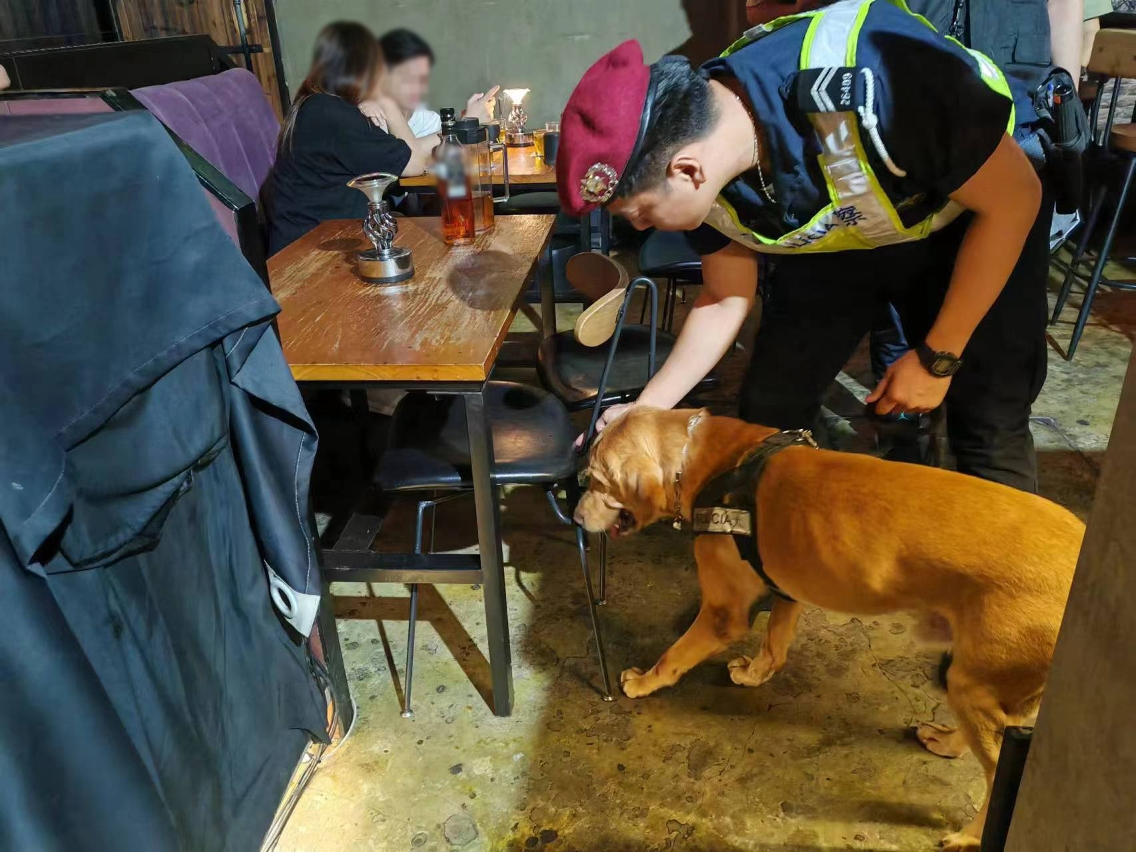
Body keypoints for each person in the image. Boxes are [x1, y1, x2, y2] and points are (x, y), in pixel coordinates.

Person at [558, 0, 1050, 493]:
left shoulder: (885, 76)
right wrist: (647, 407)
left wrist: (937, 358)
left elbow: (1015, 200)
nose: (641, 227)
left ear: (687, 170)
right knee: (772, 409)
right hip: (843, 233)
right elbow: (725, 296)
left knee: (988, 425)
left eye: (641, 213)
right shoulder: (699, 162)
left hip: (973, 217)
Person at [267, 21, 438, 255]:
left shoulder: (318, 106)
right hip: (310, 256)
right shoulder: (333, 116)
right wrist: (387, 103)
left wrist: (461, 127)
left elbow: (402, 153)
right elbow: (414, 163)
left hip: (320, 241)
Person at [377, 28, 497, 138]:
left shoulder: (428, 121)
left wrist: (468, 123)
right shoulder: (373, 119)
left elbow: (444, 148)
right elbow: (409, 152)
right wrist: (466, 124)